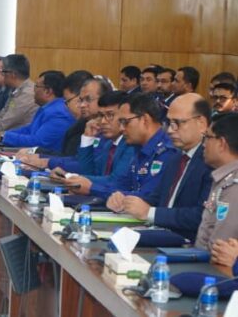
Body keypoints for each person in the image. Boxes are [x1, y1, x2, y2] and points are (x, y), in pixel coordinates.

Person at [107, 94, 212, 241]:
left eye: (177, 123)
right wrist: (124, 200)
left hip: (187, 243)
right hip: (162, 234)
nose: (170, 130)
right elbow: (156, 198)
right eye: (168, 122)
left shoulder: (210, 162)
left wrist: (149, 213)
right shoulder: (177, 157)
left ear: (201, 123)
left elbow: (201, 216)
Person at [96, 93, 181, 200]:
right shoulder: (138, 147)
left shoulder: (167, 152)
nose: (121, 128)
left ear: (144, 120)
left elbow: (149, 197)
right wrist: (90, 188)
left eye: (125, 122)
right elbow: (120, 185)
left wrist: (91, 188)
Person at [0, 70, 75, 152]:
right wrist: (2, 134)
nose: (33, 90)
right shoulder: (47, 108)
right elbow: (29, 129)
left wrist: (3, 137)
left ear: (47, 91)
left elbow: (38, 141)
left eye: (36, 86)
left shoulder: (59, 113)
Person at [195, 114, 238, 262]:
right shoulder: (224, 178)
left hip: (213, 267)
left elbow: (219, 246)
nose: (203, 144)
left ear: (221, 143)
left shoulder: (234, 186)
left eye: (207, 137)